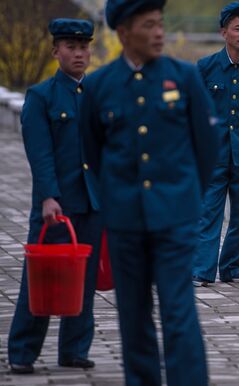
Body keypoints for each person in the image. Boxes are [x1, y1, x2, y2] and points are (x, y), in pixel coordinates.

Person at [79, 1, 221, 385]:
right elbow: (92, 153)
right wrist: (114, 201)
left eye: (161, 24)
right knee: (133, 314)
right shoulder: (98, 86)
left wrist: (185, 196)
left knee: (179, 311)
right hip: (125, 220)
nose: (159, 33)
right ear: (124, 33)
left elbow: (207, 147)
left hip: (175, 218)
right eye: (148, 25)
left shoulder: (185, 77)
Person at [8, 18, 101, 374]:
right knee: (42, 279)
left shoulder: (95, 94)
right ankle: (22, 352)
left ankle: (74, 350)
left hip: (93, 203)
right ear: (56, 51)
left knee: (86, 279)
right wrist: (48, 196)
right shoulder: (41, 96)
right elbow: (40, 153)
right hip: (56, 206)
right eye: (71, 47)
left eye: (84, 47)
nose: (79, 53)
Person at [192, 1, 239, 287]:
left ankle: (232, 267)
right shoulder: (206, 67)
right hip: (213, 154)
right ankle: (202, 270)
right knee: (208, 212)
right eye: (237, 28)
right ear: (224, 32)